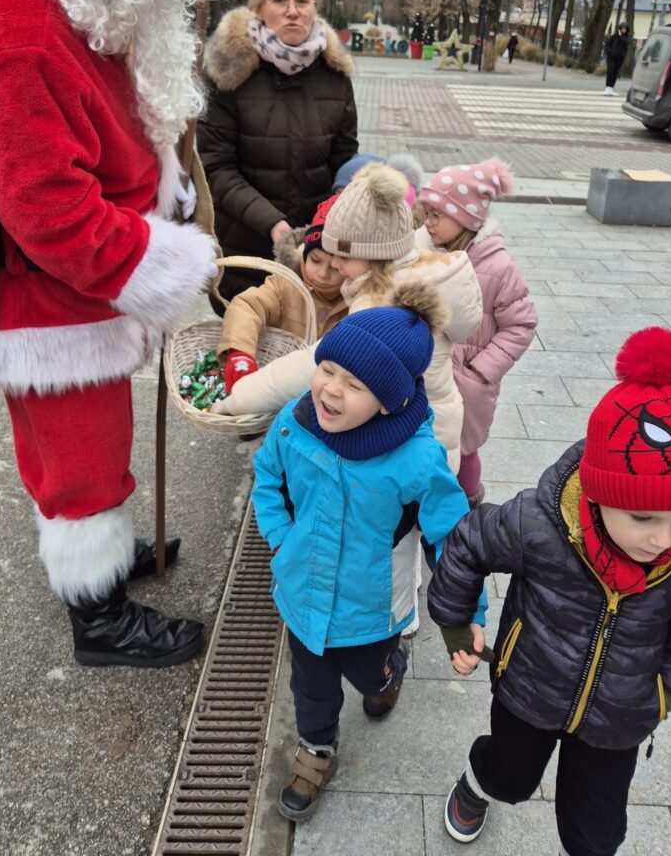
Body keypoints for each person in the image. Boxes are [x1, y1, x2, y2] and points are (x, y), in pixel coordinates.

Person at [0, 0, 221, 667]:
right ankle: (99, 619)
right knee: (76, 458)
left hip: (92, 288)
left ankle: (102, 557)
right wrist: (162, 265)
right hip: (53, 298)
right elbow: (49, 213)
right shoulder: (15, 32)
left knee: (97, 440)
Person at [427, 327, 671, 852]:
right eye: (643, 517)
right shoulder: (539, 523)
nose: (663, 538)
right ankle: (478, 785)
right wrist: (457, 621)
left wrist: (668, 691)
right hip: (530, 689)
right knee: (511, 774)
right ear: (598, 491)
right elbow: (468, 544)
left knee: (596, 827)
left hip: (621, 714)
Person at [251, 288, 480, 822]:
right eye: (326, 368)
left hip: (369, 608)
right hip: (302, 596)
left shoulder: (415, 458)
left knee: (370, 676)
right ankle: (316, 750)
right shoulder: (295, 421)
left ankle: (388, 675)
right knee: (310, 687)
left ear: (390, 400)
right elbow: (267, 476)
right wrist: (282, 538)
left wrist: (464, 618)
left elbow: (454, 538)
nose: (331, 390)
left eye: (354, 385)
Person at [213, 163, 483, 474]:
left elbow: (313, 364)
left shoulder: (379, 308)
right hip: (426, 436)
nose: (336, 266)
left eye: (344, 256)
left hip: (406, 453)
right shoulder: (416, 269)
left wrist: (237, 400)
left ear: (375, 252)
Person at [197, 0, 358, 301]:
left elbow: (345, 162)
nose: (293, 11)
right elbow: (216, 168)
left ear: (315, 7)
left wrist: (328, 225)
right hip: (246, 248)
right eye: (279, 0)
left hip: (318, 255)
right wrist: (274, 224)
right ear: (259, 8)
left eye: (302, 0)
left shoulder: (335, 75)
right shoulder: (229, 73)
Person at [416, 159, 537, 505]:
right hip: (428, 371)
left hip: (468, 382)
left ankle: (465, 507)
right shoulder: (425, 252)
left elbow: (522, 324)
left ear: (466, 218)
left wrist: (482, 370)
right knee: (427, 440)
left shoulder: (498, 267)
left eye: (437, 215)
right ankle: (427, 503)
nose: (428, 223)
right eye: (427, 213)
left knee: (465, 449)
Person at [217, 195, 348, 391]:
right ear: (303, 253)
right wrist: (240, 351)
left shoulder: (354, 300)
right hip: (279, 385)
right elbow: (248, 306)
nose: (322, 274)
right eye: (315, 260)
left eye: (335, 268)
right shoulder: (285, 285)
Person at [603, 21, 630, 95]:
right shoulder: (614, 36)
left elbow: (626, 42)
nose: (623, 30)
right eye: (622, 28)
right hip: (611, 57)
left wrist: (621, 36)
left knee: (615, 72)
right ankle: (607, 87)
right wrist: (609, 52)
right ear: (619, 29)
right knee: (610, 71)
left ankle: (611, 88)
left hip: (619, 58)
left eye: (625, 29)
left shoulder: (626, 38)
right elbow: (607, 44)